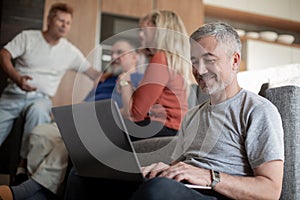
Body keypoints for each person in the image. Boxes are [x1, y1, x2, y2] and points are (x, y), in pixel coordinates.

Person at [61, 21, 284, 200]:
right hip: (184, 188)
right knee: (83, 176)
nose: (199, 70)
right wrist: (161, 168)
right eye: (194, 61)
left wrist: (209, 177)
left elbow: (271, 190)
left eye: (209, 60)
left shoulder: (258, 110)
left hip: (217, 192)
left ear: (234, 60)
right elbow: (182, 166)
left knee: (159, 190)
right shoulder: (193, 115)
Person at [0, 39, 144, 200]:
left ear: (135, 57)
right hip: (82, 118)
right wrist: (69, 114)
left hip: (101, 124)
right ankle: (40, 191)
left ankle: (27, 190)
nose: (114, 56)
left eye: (120, 53)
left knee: (69, 141)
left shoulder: (139, 78)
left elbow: (133, 111)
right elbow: (86, 102)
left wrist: (126, 80)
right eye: (112, 53)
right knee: (40, 133)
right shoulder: (105, 79)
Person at [0, 2, 101, 180]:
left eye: (68, 23)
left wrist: (119, 74)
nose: (64, 26)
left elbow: (93, 73)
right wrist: (17, 78)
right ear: (49, 19)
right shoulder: (28, 37)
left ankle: (23, 166)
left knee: (39, 112)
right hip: (13, 93)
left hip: (41, 98)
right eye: (61, 20)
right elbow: (4, 54)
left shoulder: (70, 51)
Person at [118, 10, 191, 140]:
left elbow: (135, 114)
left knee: (91, 138)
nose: (140, 35)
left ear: (159, 31)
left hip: (160, 129)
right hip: (171, 130)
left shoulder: (161, 58)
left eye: (145, 30)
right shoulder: (172, 61)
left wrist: (125, 82)